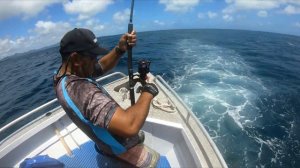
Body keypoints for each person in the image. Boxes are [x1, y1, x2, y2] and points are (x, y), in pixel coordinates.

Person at [53, 28, 160, 167]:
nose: (95, 61)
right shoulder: (82, 91)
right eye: (92, 57)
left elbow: (99, 67)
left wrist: (119, 49)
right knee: (155, 160)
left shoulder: (62, 76)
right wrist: (149, 89)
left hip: (105, 141)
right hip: (119, 149)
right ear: (75, 59)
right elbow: (130, 125)